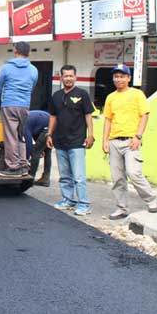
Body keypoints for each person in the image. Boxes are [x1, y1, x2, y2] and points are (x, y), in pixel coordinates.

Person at [102, 64, 157, 220]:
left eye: (122, 76)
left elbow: (144, 115)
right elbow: (108, 119)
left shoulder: (137, 94)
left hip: (131, 141)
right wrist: (105, 140)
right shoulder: (111, 97)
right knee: (117, 178)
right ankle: (122, 208)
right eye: (116, 76)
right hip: (114, 141)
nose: (118, 79)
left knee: (134, 173)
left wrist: (138, 136)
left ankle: (151, 200)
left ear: (128, 78)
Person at [46, 65, 95, 216]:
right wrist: (49, 134)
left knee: (79, 176)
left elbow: (88, 115)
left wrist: (90, 135)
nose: (68, 78)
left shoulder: (82, 94)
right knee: (65, 175)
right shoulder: (56, 96)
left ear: (76, 77)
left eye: (71, 76)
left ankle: (84, 203)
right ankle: (68, 200)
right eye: (65, 76)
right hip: (60, 141)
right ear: (61, 78)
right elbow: (53, 116)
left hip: (77, 141)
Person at [0, 41, 38, 177]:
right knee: (21, 136)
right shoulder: (33, 70)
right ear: (29, 53)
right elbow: (32, 88)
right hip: (24, 105)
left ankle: (13, 168)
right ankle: (23, 165)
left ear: (15, 52)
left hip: (9, 104)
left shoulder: (7, 68)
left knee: (10, 136)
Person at [25, 110, 51, 186]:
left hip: (48, 126)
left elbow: (28, 143)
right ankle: (46, 178)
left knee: (35, 152)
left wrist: (26, 158)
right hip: (50, 123)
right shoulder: (28, 118)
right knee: (47, 151)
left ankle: (30, 179)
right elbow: (36, 133)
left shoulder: (24, 123)